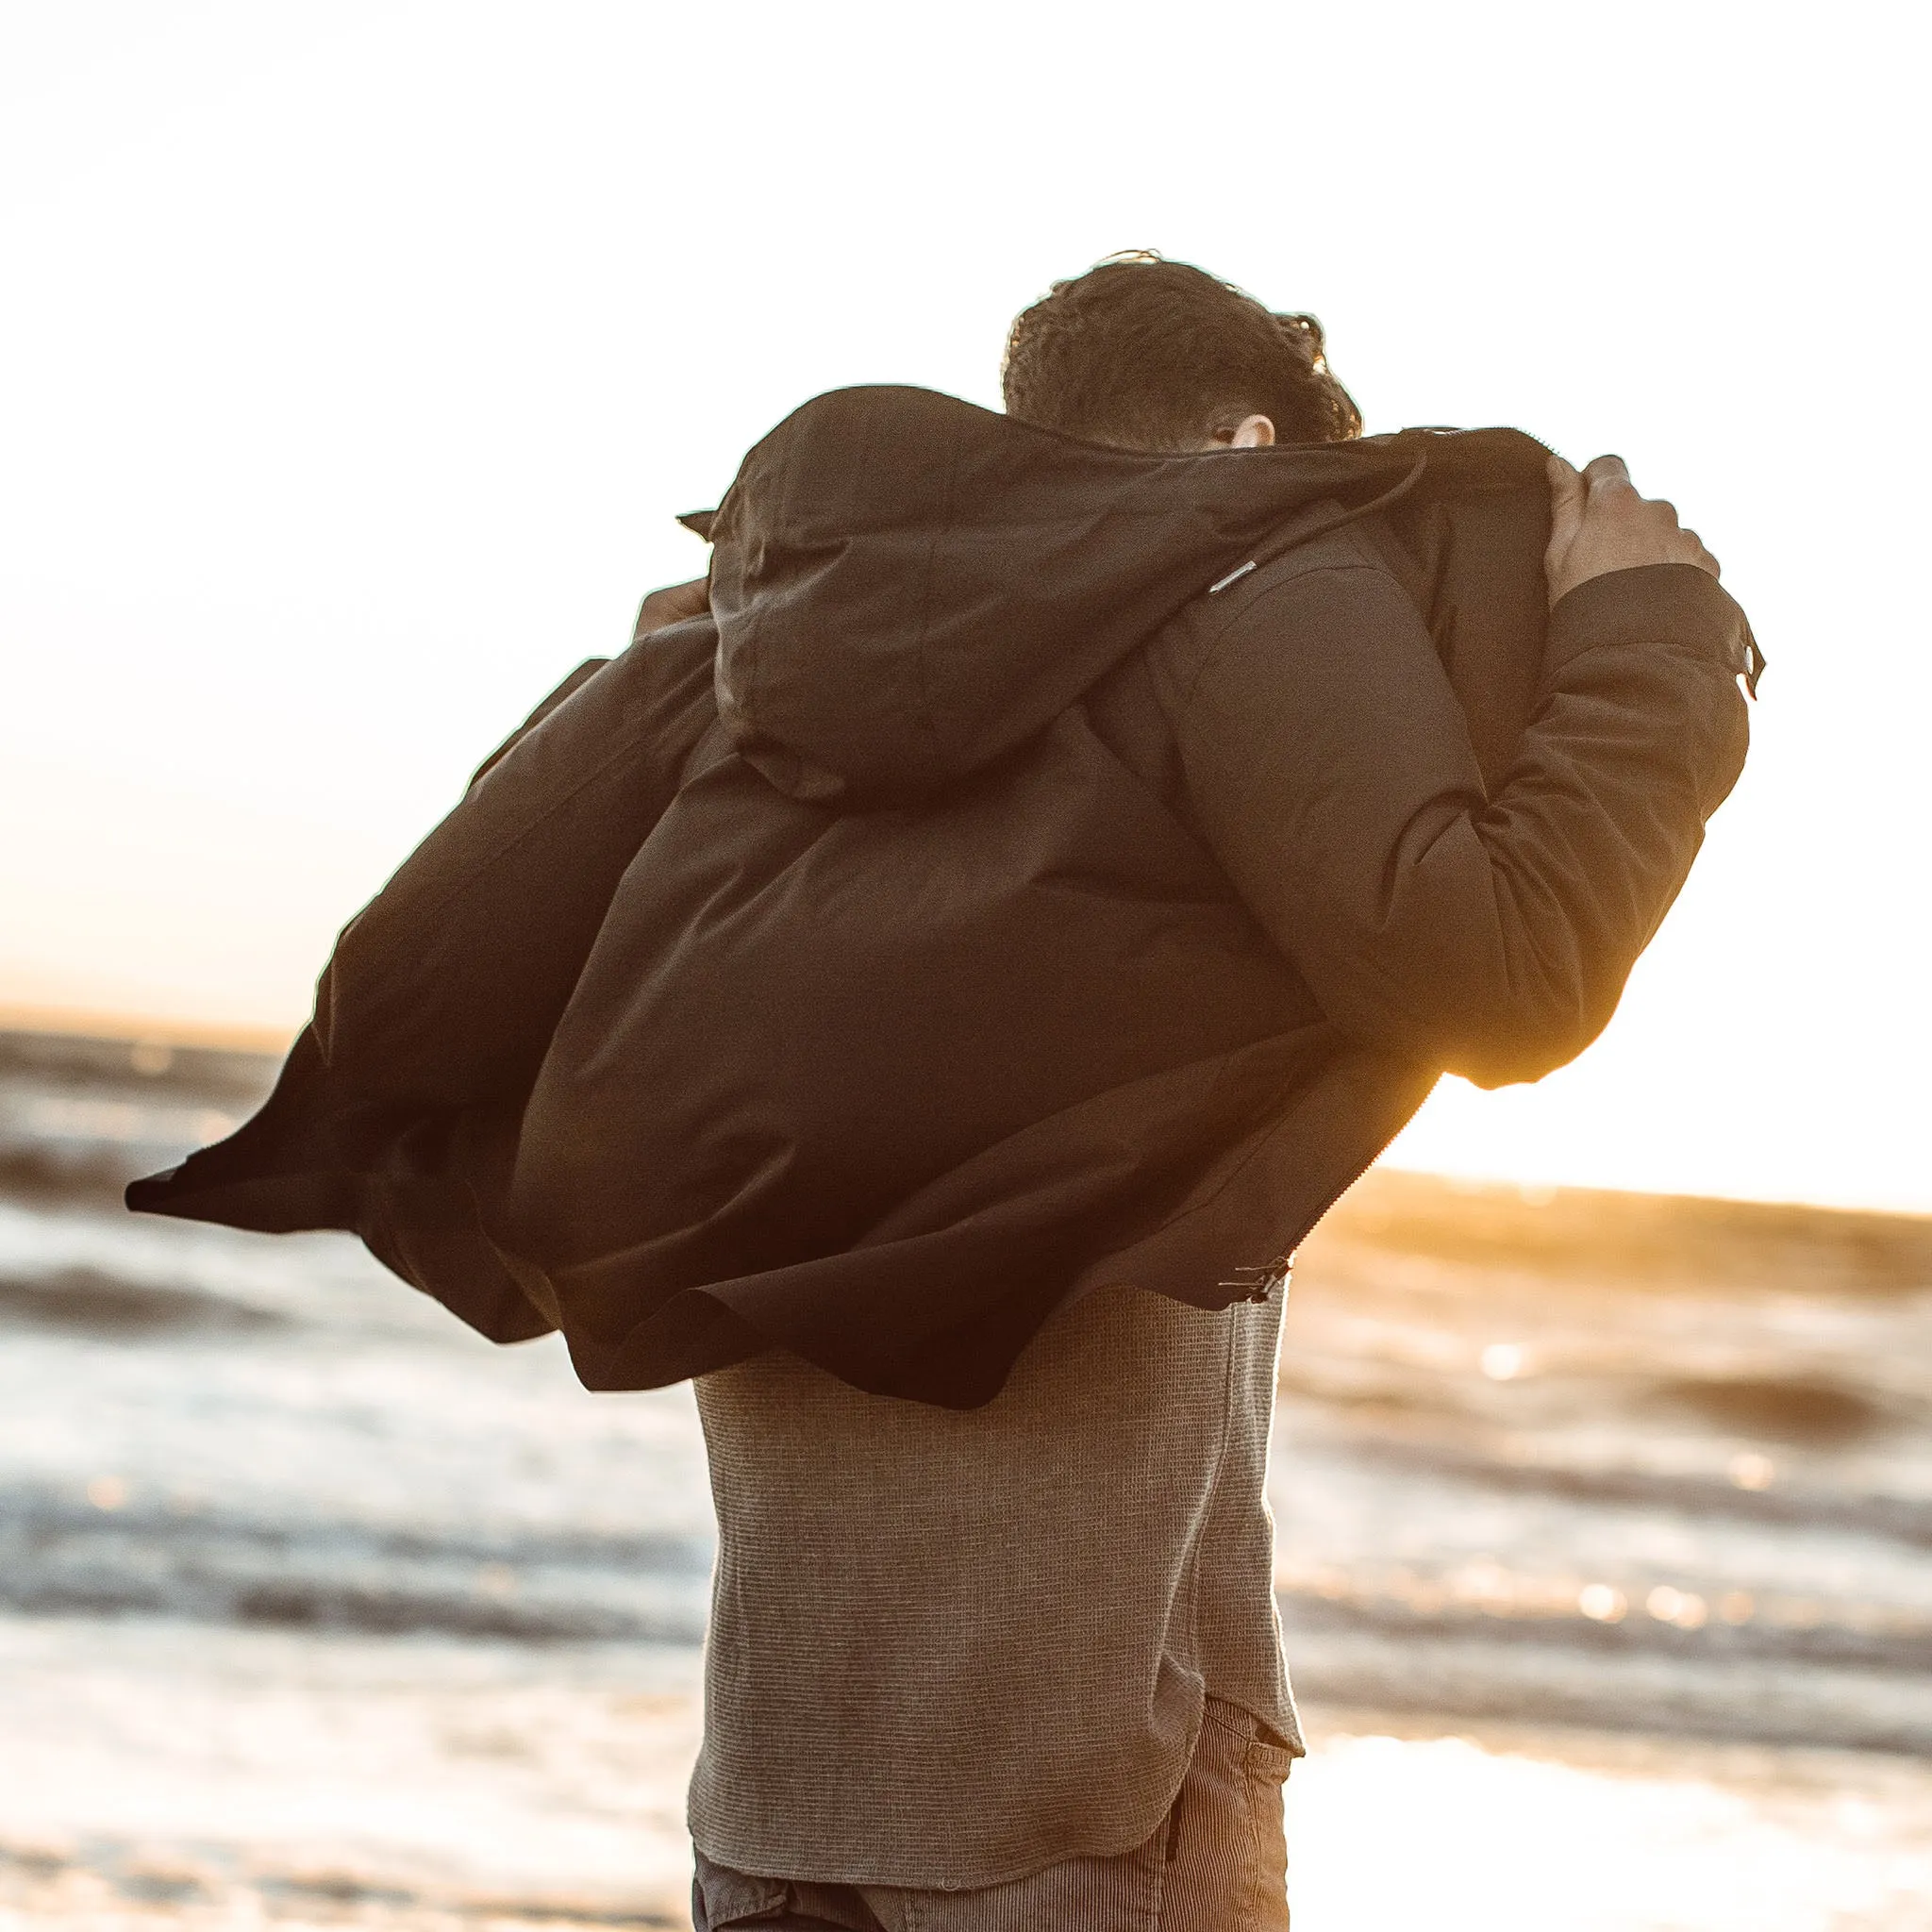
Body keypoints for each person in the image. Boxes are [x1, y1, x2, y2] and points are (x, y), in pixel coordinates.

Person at [129, 256, 1755, 1929]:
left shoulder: (769, 679)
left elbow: (433, 975)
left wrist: (632, 695)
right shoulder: (1235, 592)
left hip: (781, 1790)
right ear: (1239, 447)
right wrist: (1653, 643)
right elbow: (1500, 974)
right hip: (1089, 1795)